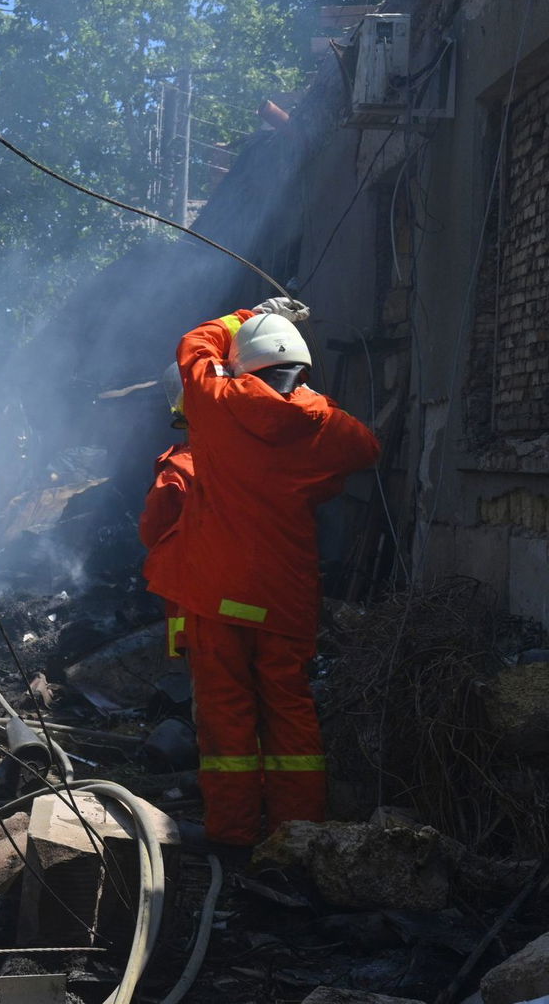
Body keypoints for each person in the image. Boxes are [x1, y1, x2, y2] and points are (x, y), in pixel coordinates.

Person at [148, 297, 379, 851]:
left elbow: (193, 344)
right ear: (301, 369)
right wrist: (310, 451)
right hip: (284, 596)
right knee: (290, 709)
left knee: (226, 713)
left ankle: (231, 831)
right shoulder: (324, 423)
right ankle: (298, 833)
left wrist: (247, 316)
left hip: (217, 591)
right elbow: (367, 449)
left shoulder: (217, 400)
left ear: (242, 366)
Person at [139, 362, 194, 661]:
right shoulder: (266, 459)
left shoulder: (181, 470)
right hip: (277, 604)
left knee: (218, 693)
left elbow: (152, 530)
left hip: (201, 606)